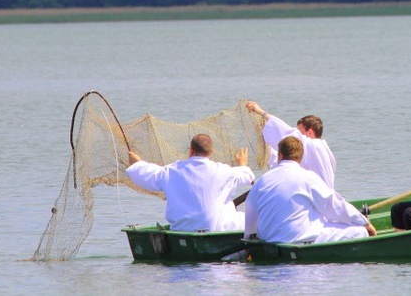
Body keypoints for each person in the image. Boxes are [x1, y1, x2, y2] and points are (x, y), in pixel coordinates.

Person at [244, 136, 376, 243]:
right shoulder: (308, 177)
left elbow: (250, 212)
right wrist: (363, 221)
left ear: (280, 155)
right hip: (300, 241)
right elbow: (333, 205)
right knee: (359, 231)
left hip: (268, 240)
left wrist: (249, 237)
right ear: (300, 158)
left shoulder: (262, 180)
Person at [126, 134, 255, 231]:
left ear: (191, 150)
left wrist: (137, 163)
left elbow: (147, 175)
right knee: (249, 219)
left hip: (181, 229)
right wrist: (242, 164)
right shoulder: (223, 171)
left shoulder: (171, 171)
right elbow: (247, 176)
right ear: (212, 152)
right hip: (214, 230)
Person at [246, 101, 336, 189]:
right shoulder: (318, 150)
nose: (297, 136)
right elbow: (280, 163)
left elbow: (287, 134)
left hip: (318, 197)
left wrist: (262, 113)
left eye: (300, 132)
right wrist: (262, 130)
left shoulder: (315, 146)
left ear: (310, 132)